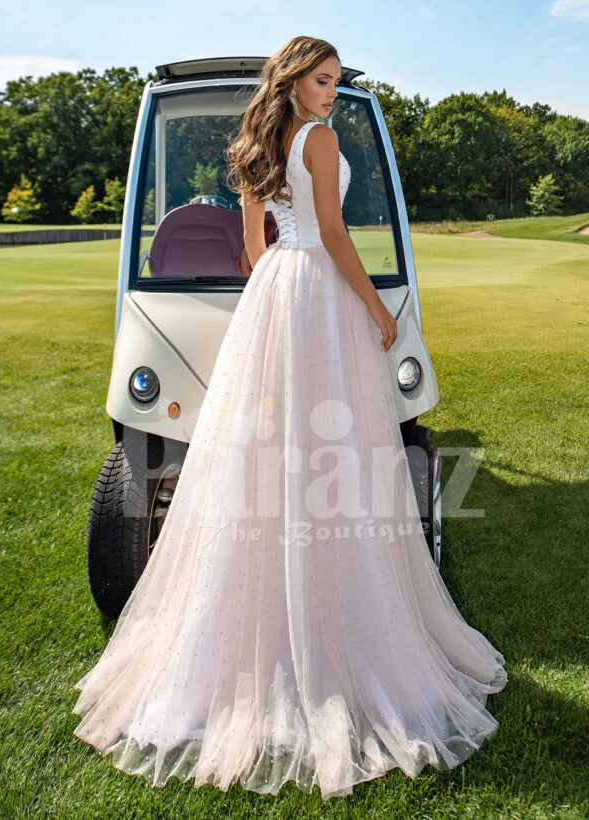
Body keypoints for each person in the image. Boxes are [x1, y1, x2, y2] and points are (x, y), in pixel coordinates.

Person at [71, 36, 507, 801]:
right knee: (334, 446)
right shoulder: (319, 137)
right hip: (315, 290)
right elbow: (335, 236)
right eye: (323, 79)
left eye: (336, 82)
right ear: (296, 80)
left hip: (272, 291)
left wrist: (280, 268)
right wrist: (374, 306)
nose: (332, 92)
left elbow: (249, 250)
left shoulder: (257, 143)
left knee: (260, 451)